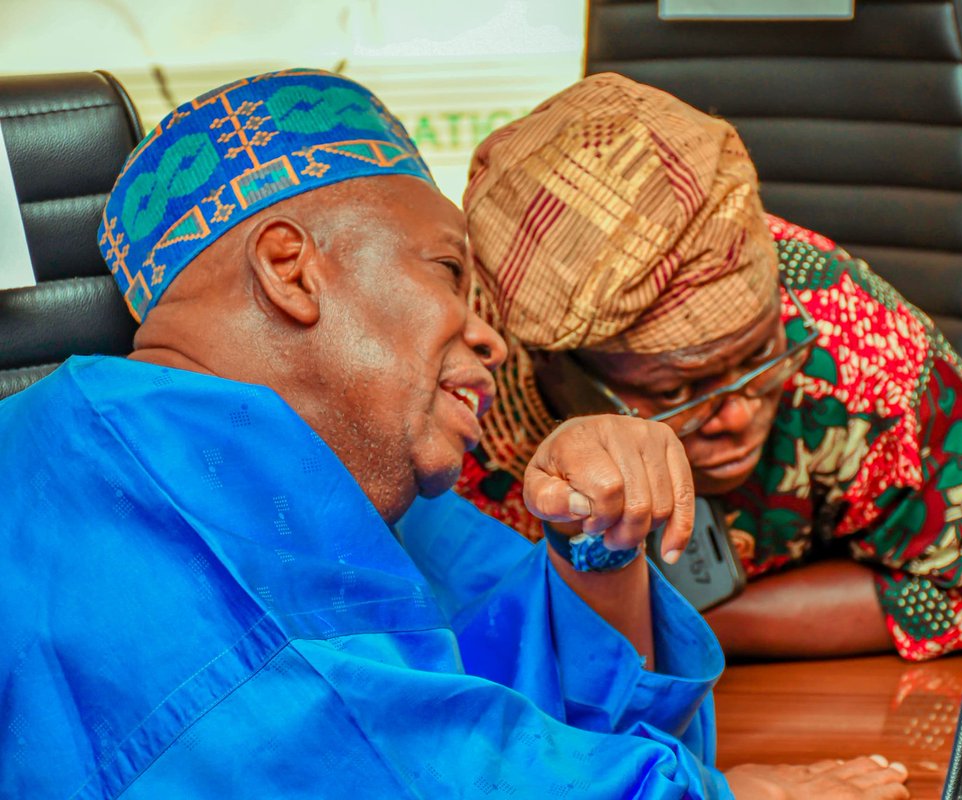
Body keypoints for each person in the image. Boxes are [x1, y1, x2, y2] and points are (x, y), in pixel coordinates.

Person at [0, 70, 910, 799]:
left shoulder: (334, 481)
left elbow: (555, 726)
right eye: (446, 270)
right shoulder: (148, 526)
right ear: (291, 270)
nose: (491, 336)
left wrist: (605, 536)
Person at [457, 73, 962, 662]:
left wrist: (678, 630)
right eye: (675, 388)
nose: (739, 414)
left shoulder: (855, 337)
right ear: (553, 365)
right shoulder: (455, 400)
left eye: (759, 356)